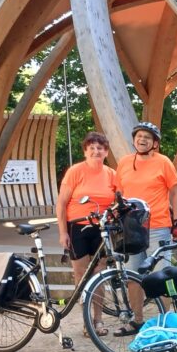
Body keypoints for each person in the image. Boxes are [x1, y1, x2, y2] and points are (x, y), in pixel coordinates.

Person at [114, 121, 177, 336]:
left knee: (161, 274)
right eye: (139, 136)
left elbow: (176, 192)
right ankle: (137, 320)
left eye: (147, 137)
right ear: (134, 140)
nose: (142, 140)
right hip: (131, 227)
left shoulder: (163, 162)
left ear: (155, 143)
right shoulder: (124, 163)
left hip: (158, 225)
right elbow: (119, 193)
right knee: (132, 276)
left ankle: (164, 321)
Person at [56, 132, 117, 337]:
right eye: (91, 148)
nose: (96, 151)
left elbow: (119, 200)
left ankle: (98, 320)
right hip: (78, 227)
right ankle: (86, 320)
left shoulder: (111, 174)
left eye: (100, 148)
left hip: (102, 229)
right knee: (81, 275)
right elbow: (61, 203)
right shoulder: (75, 171)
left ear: (106, 152)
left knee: (99, 275)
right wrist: (63, 232)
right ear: (85, 151)